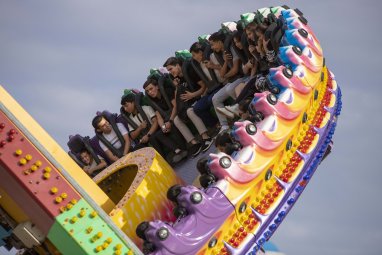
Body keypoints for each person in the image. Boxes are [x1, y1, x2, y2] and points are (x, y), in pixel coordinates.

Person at [143, 78, 210, 157]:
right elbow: (159, 117)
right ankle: (194, 143)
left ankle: (206, 138)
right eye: (147, 91)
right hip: (170, 117)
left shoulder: (166, 91)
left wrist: (170, 121)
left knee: (176, 120)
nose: (150, 92)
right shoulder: (152, 101)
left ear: (157, 87)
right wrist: (163, 127)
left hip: (181, 109)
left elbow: (175, 106)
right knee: (168, 127)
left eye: (151, 89)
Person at [163, 57, 215, 151]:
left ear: (178, 65)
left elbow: (204, 86)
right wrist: (177, 87)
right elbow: (177, 99)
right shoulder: (177, 79)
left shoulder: (189, 71)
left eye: (171, 69)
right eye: (168, 70)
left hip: (201, 96)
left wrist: (192, 95)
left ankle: (206, 137)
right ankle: (195, 143)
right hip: (189, 102)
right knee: (177, 120)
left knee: (190, 111)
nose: (170, 72)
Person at [120, 93, 188, 165]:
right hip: (143, 137)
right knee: (137, 148)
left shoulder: (146, 108)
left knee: (153, 137)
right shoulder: (130, 118)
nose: (125, 109)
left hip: (153, 132)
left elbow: (155, 122)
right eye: (124, 107)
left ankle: (169, 158)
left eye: (126, 106)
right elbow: (132, 136)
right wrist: (140, 128)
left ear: (133, 102)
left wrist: (148, 135)